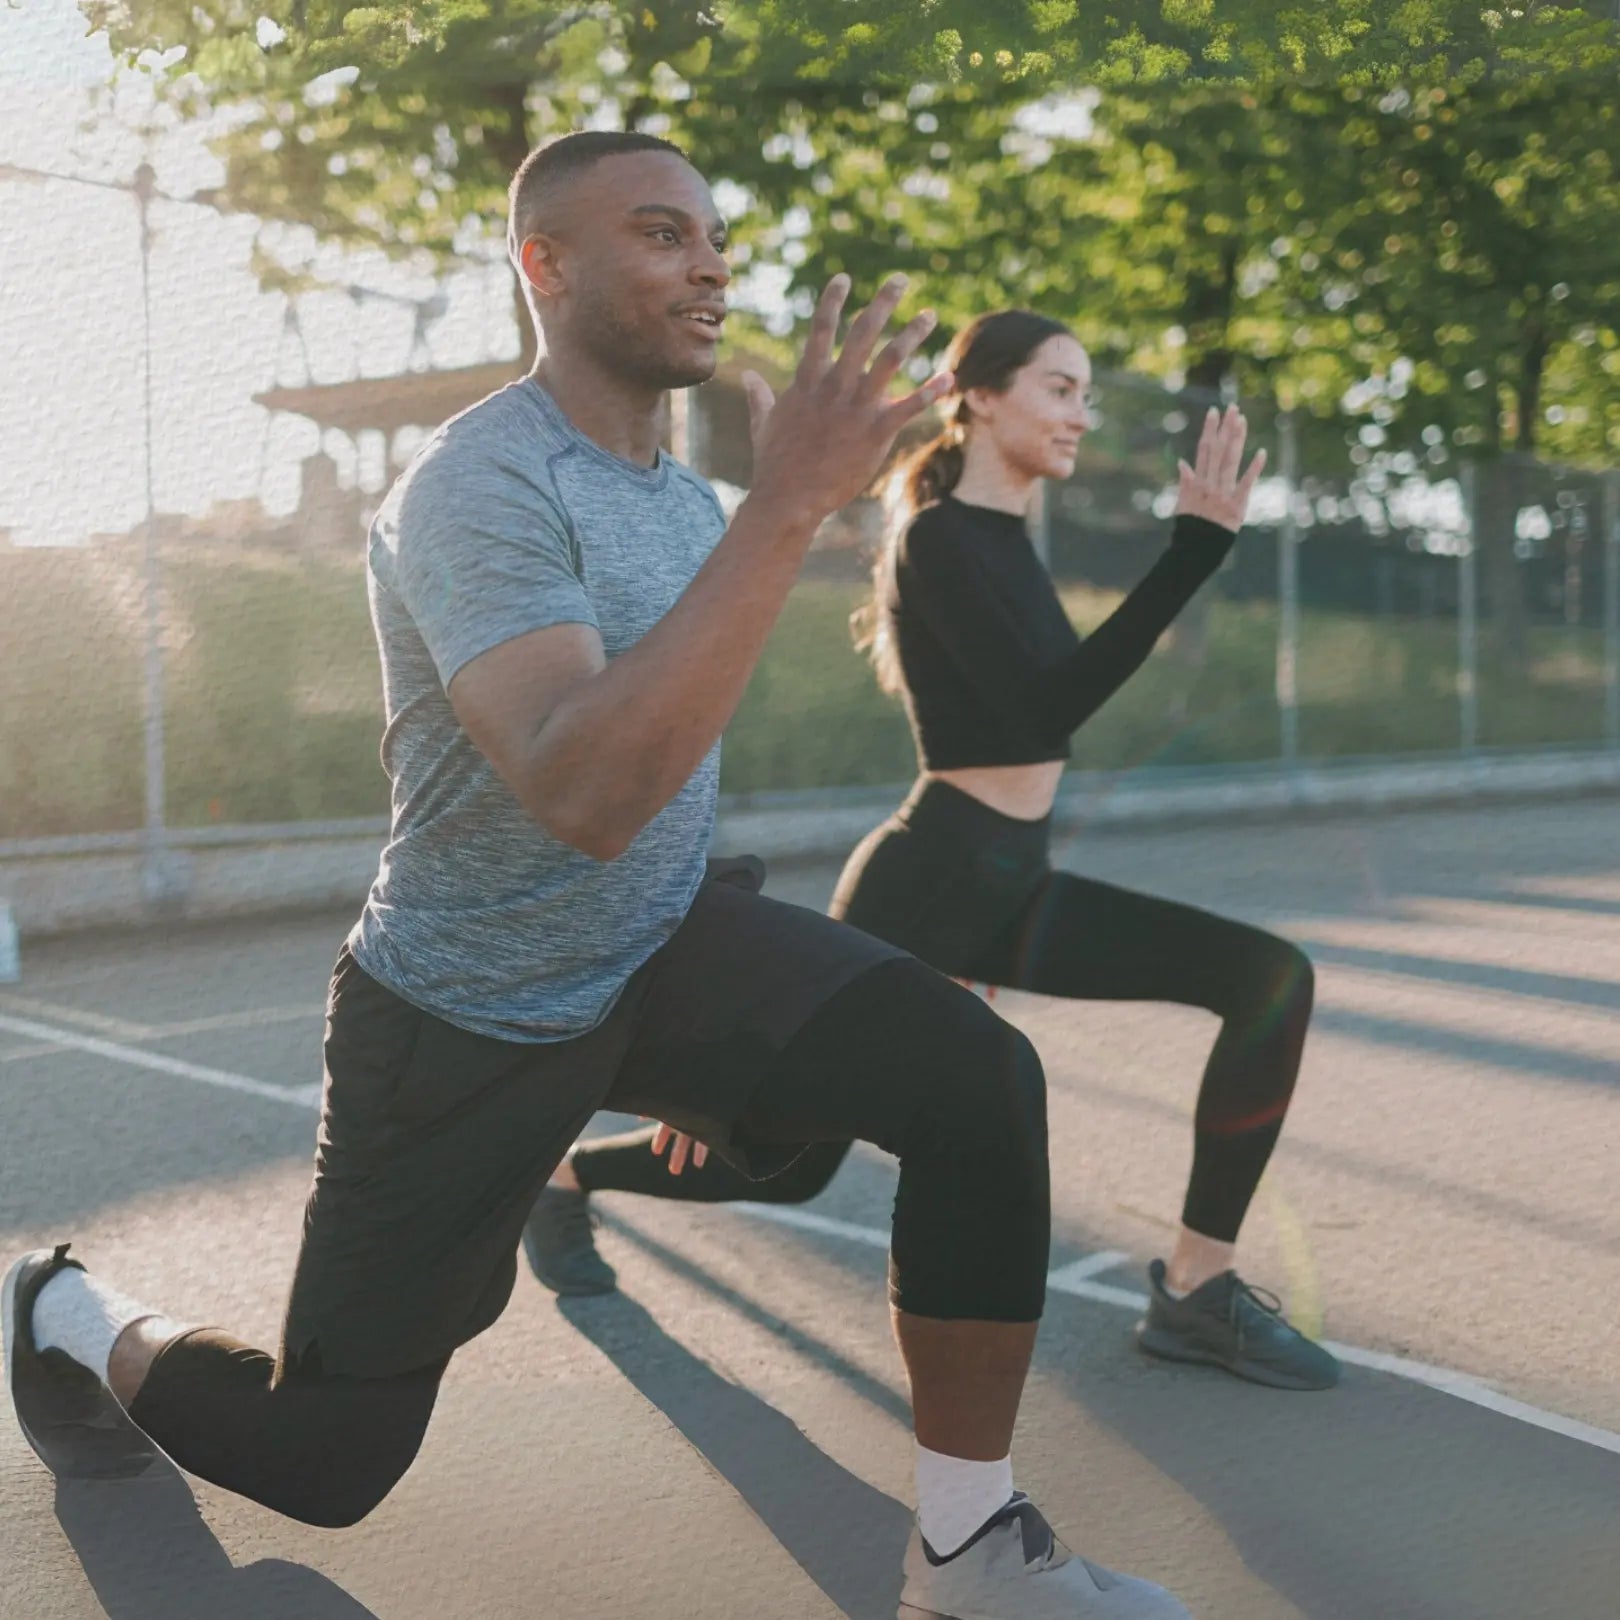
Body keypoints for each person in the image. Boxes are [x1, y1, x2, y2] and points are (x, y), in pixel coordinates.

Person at [4, 136, 1193, 1619]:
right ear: (543, 266)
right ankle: (65, 1312)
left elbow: (676, 780)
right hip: (464, 1014)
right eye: (657, 232)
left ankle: (968, 1548)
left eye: (712, 230)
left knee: (976, 1079)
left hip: (657, 950)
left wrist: (716, 1040)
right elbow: (581, 789)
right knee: (326, 1463)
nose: (708, 261)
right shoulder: (476, 486)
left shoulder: (686, 507)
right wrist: (790, 508)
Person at [530, 309, 1340, 1395]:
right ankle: (567, 1177)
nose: (1079, 414)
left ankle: (1196, 1289)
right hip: (929, 886)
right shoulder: (941, 539)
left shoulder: (1003, 543)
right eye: (1059, 387)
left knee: (1268, 978)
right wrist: (1192, 550)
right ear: (981, 395)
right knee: (786, 1162)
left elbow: (1043, 710)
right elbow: (1048, 708)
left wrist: (1191, 552)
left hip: (1016, 884)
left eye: (1086, 392)